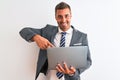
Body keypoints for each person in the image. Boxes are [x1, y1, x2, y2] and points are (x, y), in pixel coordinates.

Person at [19, 2, 92, 80]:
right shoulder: (47, 31)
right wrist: (37, 38)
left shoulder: (81, 36)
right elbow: (23, 31)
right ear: (56, 17)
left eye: (66, 16)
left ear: (71, 16)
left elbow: (88, 61)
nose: (63, 20)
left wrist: (73, 72)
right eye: (60, 16)